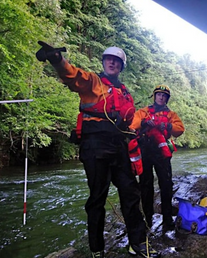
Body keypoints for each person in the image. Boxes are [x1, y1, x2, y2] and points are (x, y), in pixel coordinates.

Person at [35, 41, 159, 258]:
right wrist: (56, 59)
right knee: (97, 198)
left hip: (118, 145)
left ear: (121, 66)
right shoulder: (92, 82)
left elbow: (130, 121)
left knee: (131, 193)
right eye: (109, 60)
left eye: (117, 61)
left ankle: (137, 243)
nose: (112, 63)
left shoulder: (124, 92)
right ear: (104, 62)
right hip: (95, 145)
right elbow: (72, 75)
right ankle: (96, 249)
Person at [130, 84, 185, 231]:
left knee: (166, 184)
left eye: (164, 96)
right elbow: (132, 125)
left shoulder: (171, 115)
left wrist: (167, 127)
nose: (161, 97)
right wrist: (143, 123)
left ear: (167, 99)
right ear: (154, 96)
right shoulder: (144, 112)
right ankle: (148, 218)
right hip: (146, 150)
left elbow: (179, 129)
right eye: (159, 95)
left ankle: (167, 219)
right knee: (145, 185)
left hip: (162, 152)